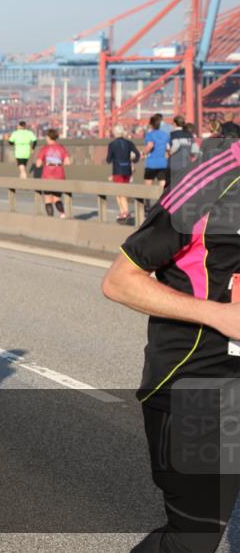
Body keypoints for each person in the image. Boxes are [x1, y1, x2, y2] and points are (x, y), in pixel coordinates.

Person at [101, 138, 239, 553]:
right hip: (199, 385)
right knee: (192, 539)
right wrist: (218, 315)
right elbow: (119, 281)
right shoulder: (210, 185)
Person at [106, 124, 140, 225]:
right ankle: (123, 212)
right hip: (127, 170)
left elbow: (108, 160)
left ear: (115, 133)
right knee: (124, 190)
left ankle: (125, 212)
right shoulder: (129, 143)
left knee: (119, 193)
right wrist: (133, 160)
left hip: (117, 170)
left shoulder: (112, 144)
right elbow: (137, 155)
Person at [34, 128, 70, 218]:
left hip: (47, 176)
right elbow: (68, 162)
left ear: (48, 137)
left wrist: (45, 162)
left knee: (48, 199)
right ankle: (62, 214)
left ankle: (50, 218)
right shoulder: (61, 148)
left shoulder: (44, 149)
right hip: (59, 175)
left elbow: (38, 165)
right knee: (57, 198)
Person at [142, 113, 171, 202]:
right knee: (162, 184)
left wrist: (143, 153)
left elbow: (150, 145)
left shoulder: (150, 135)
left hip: (151, 163)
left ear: (151, 124)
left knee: (148, 184)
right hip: (162, 163)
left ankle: (147, 204)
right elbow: (168, 148)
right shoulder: (165, 135)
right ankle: (163, 203)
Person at [168, 115, 200, 188]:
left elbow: (176, 145)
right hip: (186, 163)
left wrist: (169, 153)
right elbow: (195, 150)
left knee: (174, 184)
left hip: (175, 163)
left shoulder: (173, 134)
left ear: (175, 124)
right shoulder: (189, 134)